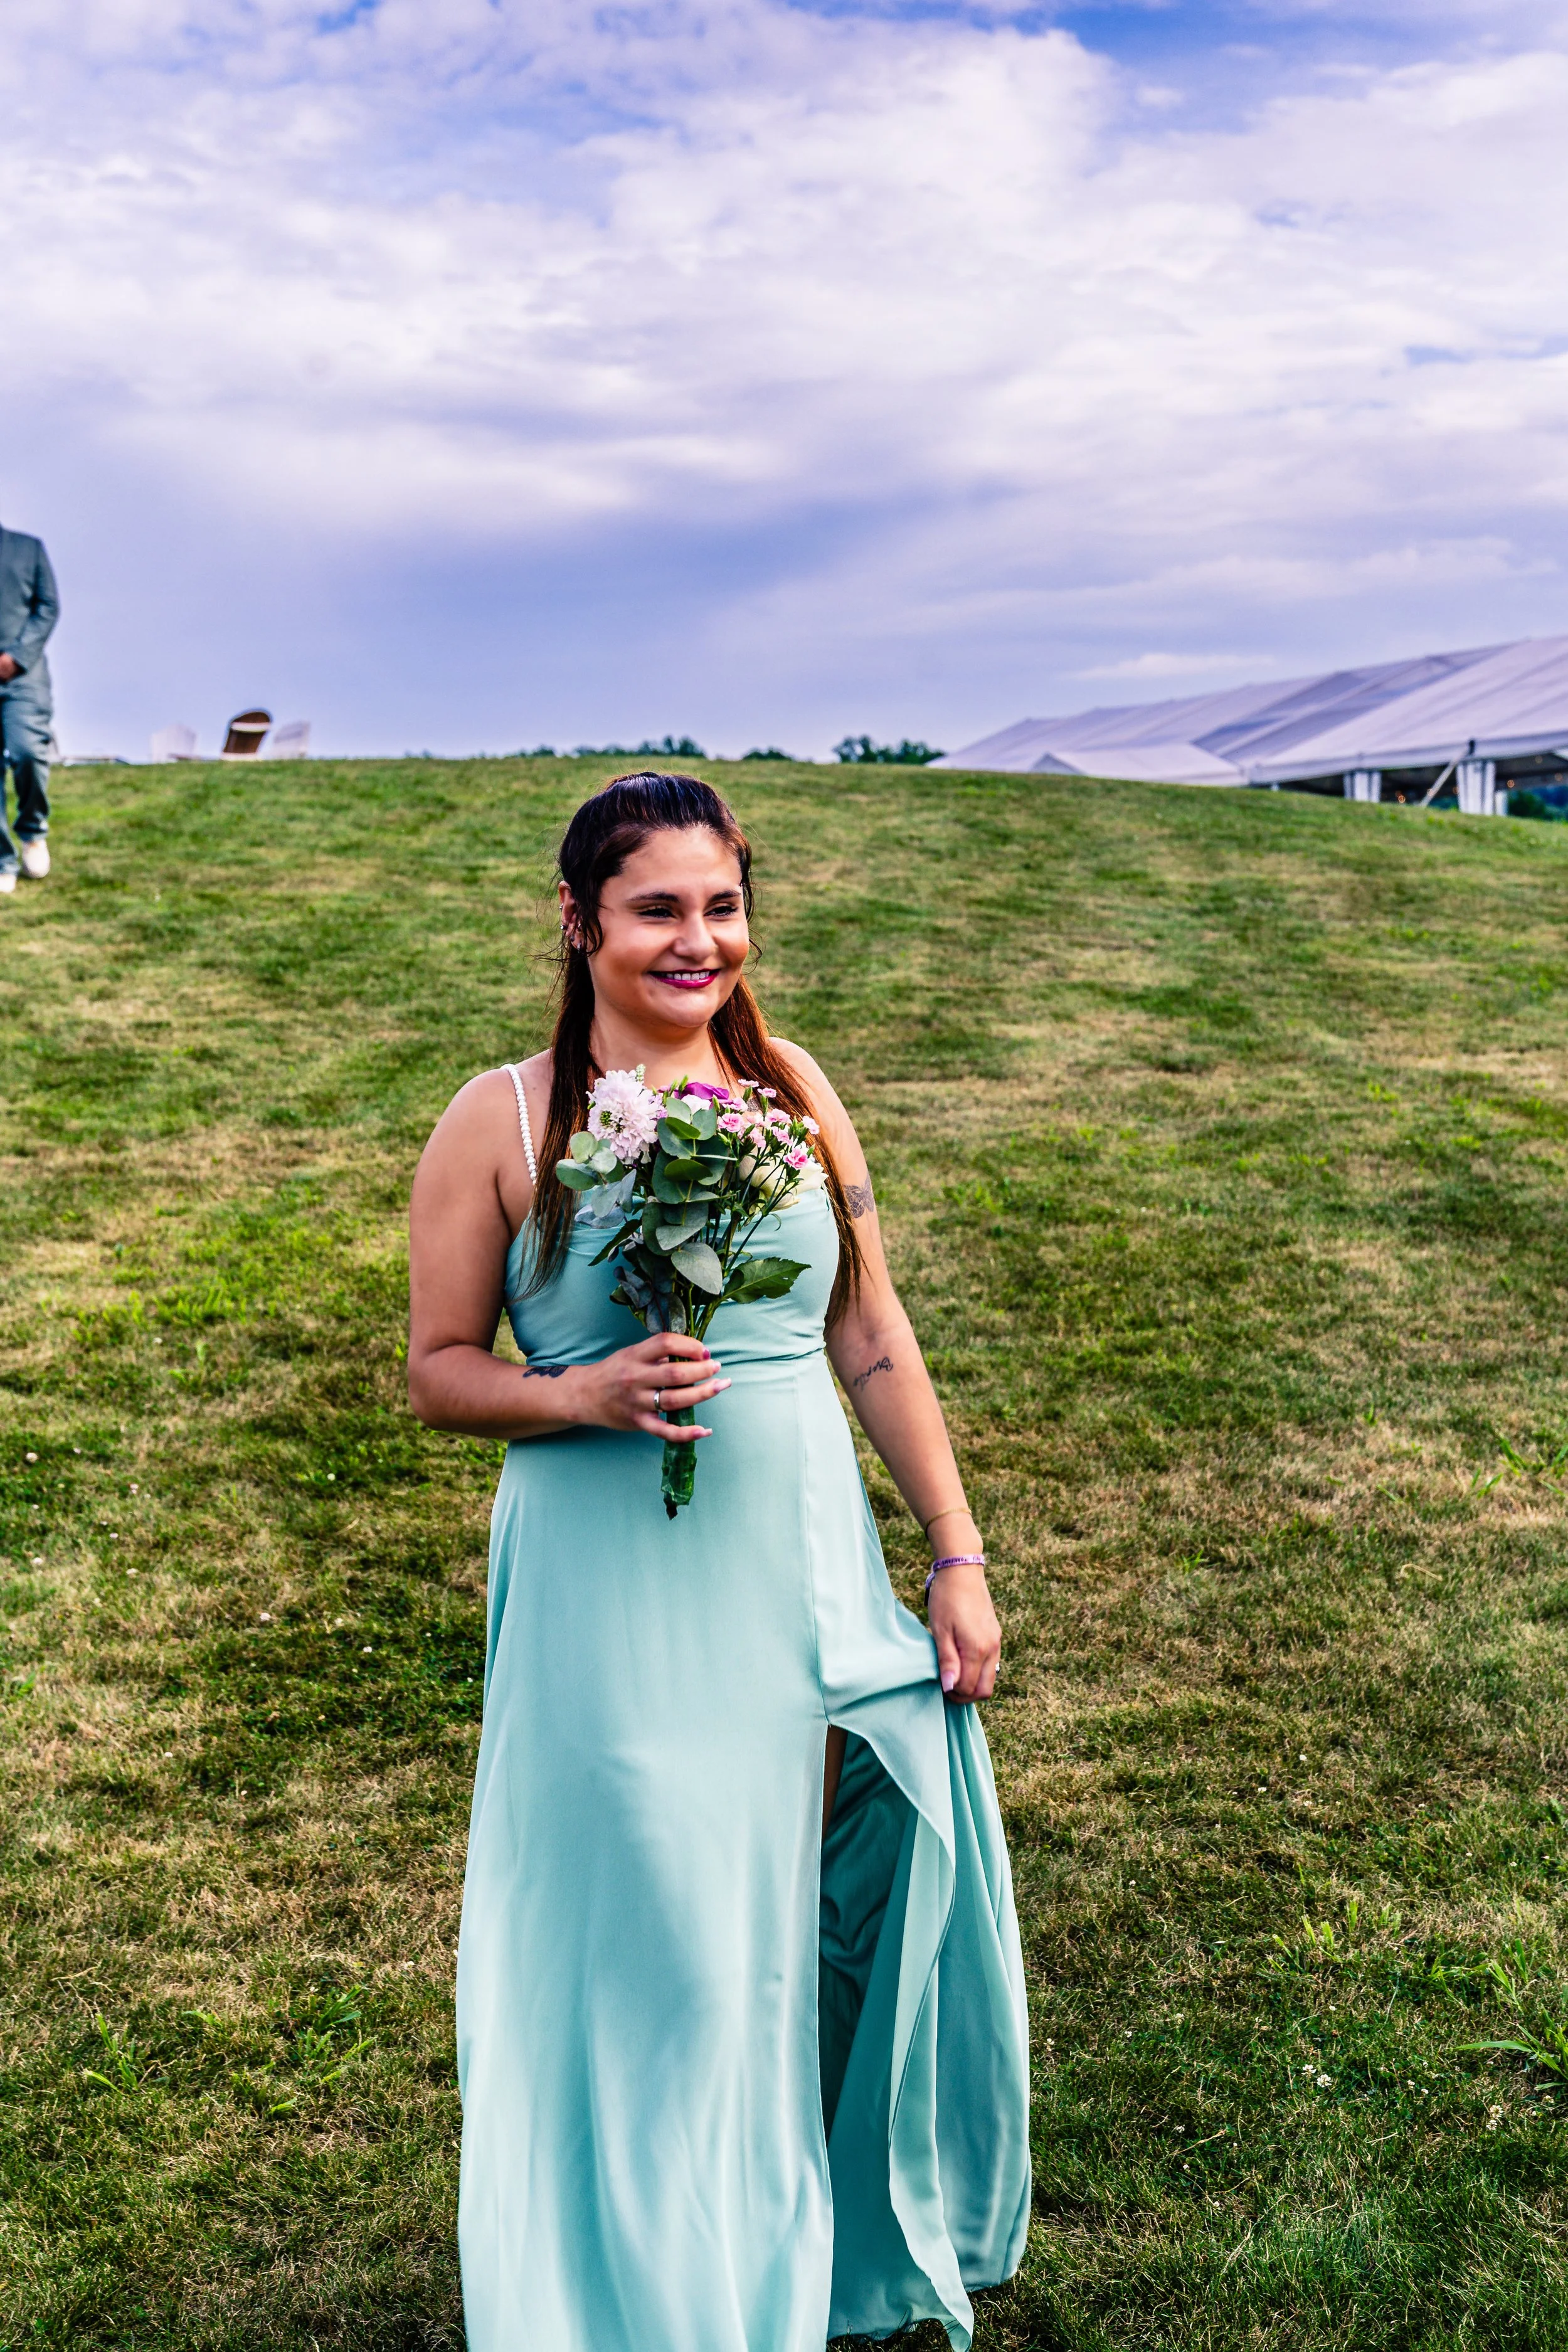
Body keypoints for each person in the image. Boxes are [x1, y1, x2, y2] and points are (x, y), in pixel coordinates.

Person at [408, 772, 1030, 2352]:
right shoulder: (508, 1116)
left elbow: (868, 1332)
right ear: (577, 922)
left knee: (778, 1919)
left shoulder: (795, 1083)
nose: (701, 941)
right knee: (660, 1933)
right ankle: (619, 2288)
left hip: (793, 1570)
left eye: (723, 904)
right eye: (659, 908)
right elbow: (436, 1366)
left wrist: (952, 1551)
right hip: (607, 1593)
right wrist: (576, 1393)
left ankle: (782, 2253)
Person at [0, 521, 58, 897]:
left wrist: (16, 657)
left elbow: (48, 606)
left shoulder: (29, 548)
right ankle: (2, 859)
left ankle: (33, 832)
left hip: (23, 677)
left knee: (28, 754)